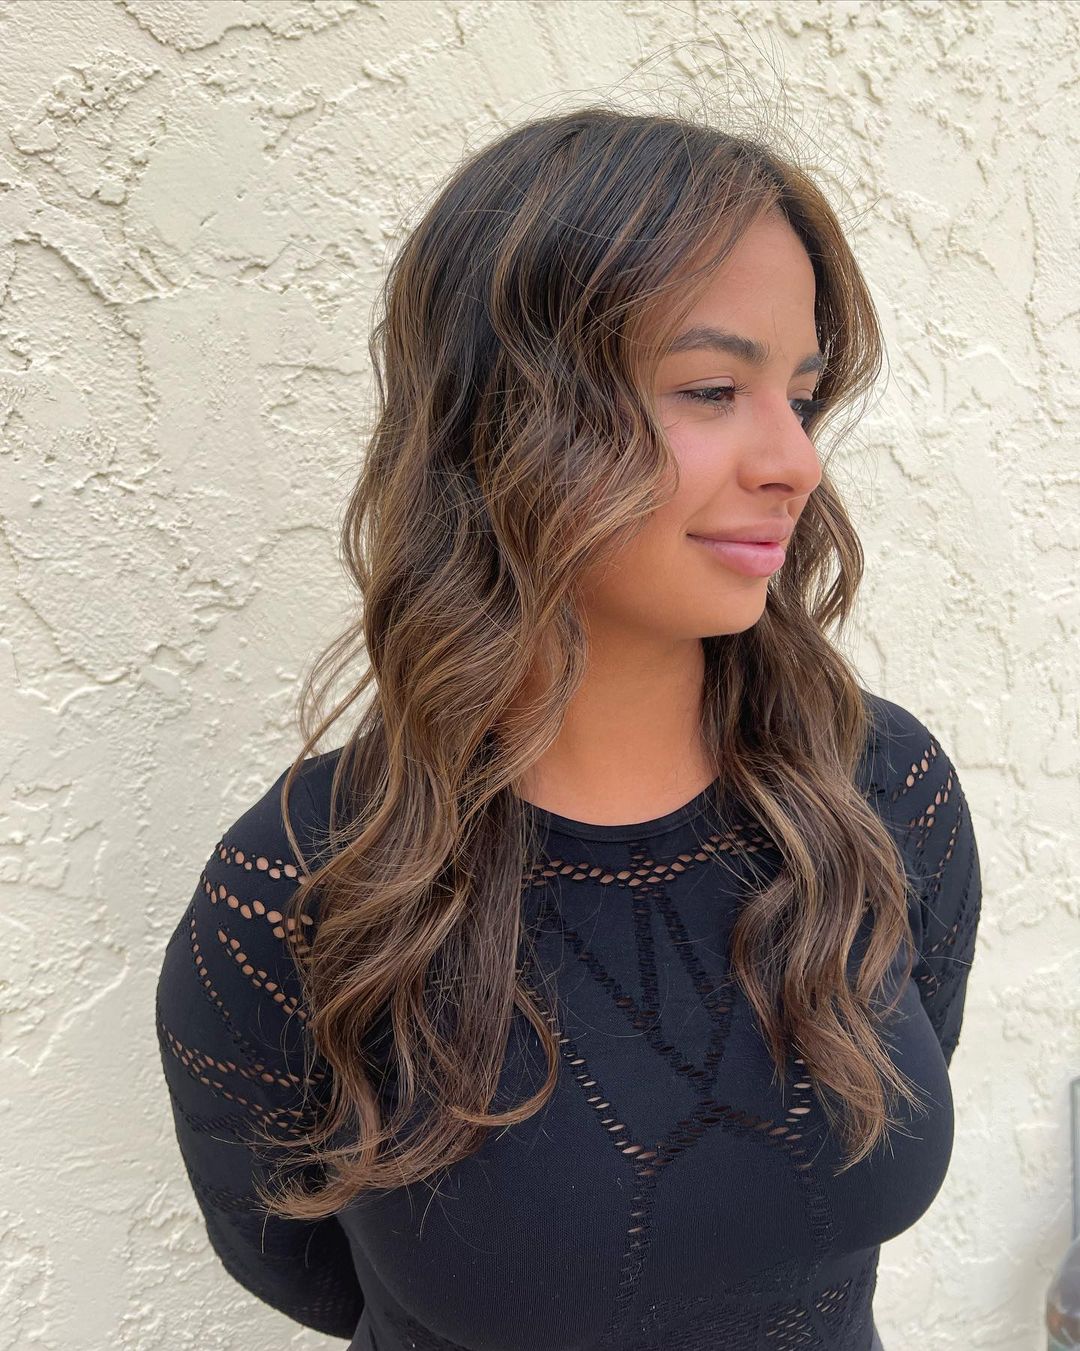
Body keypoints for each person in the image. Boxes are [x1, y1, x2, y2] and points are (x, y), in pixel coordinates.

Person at [154, 104, 982, 1351]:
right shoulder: (305, 891)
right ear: (503, 417)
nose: (796, 462)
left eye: (802, 397)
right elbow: (299, 1262)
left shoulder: (877, 789)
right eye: (713, 389)